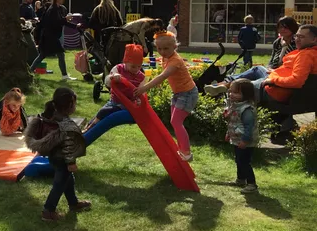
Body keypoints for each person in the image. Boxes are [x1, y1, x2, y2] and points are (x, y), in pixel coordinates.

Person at [23, 87, 91, 222]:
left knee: (68, 180)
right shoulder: (66, 126)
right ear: (71, 105)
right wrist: (71, 163)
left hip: (54, 156)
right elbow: (69, 146)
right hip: (63, 159)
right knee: (59, 184)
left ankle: (73, 203)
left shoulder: (49, 116)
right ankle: (48, 211)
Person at [134, 31, 198, 162]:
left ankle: (186, 152)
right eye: (159, 49)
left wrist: (144, 88)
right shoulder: (166, 57)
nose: (162, 52)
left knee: (176, 121)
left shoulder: (175, 61)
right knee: (174, 122)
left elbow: (163, 76)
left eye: (166, 48)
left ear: (175, 47)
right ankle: (181, 149)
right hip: (179, 93)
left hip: (187, 94)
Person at [206, 17, 299, 95]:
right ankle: (222, 85)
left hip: (282, 74)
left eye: (286, 27)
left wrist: (275, 71)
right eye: (280, 27)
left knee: (257, 69)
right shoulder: (278, 42)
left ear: (293, 28)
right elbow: (272, 60)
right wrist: (270, 68)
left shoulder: (297, 43)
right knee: (257, 69)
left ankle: (225, 84)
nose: (283, 30)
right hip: (273, 71)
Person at [84, 44, 145, 131]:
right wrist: (113, 77)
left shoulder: (141, 77)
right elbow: (107, 82)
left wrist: (139, 100)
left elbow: (142, 92)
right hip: (115, 101)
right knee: (100, 113)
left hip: (129, 104)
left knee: (103, 112)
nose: (136, 69)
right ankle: (87, 129)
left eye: (139, 66)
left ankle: (89, 129)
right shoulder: (118, 69)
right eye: (133, 66)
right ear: (125, 62)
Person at [31, 0, 76, 81]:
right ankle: (64, 75)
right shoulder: (53, 9)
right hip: (50, 36)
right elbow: (56, 22)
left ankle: (30, 71)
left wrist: (75, 26)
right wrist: (66, 19)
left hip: (50, 36)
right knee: (60, 54)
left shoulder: (58, 9)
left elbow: (62, 21)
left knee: (42, 55)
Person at [224, 80, 259, 194]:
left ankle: (251, 183)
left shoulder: (246, 109)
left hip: (245, 141)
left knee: (244, 161)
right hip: (237, 139)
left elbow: (249, 127)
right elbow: (233, 122)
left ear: (246, 95)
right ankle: (241, 179)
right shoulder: (235, 105)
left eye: (236, 92)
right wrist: (229, 134)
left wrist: (245, 140)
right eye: (231, 91)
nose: (231, 94)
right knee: (238, 160)